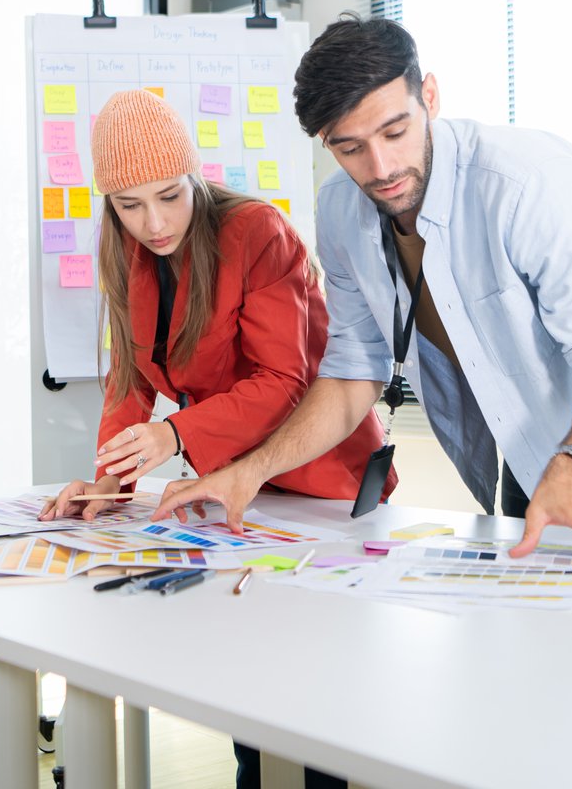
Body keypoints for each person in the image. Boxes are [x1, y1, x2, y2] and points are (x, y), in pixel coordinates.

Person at [157, 16, 572, 570]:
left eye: (395, 132)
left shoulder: (529, 181)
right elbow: (351, 371)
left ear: (431, 97)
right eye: (351, 148)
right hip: (521, 421)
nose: (381, 168)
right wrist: (249, 472)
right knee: (533, 590)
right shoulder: (339, 208)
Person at [41, 88, 384, 789]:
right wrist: (108, 481)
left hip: (321, 481)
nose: (153, 223)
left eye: (169, 196)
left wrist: (174, 435)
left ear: (193, 176)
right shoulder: (124, 247)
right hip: (235, 493)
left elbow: (284, 379)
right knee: (250, 691)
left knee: (312, 697)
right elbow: (130, 377)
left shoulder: (256, 231)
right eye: (129, 205)